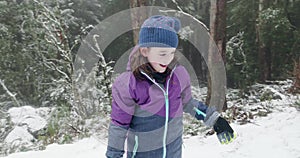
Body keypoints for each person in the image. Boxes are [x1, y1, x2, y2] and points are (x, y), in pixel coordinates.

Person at [105, 15, 235, 158]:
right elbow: (119, 124)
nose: (168, 58)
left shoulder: (178, 76)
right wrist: (113, 155)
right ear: (145, 51)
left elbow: (188, 103)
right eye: (162, 53)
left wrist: (215, 120)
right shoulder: (130, 84)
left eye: (172, 53)